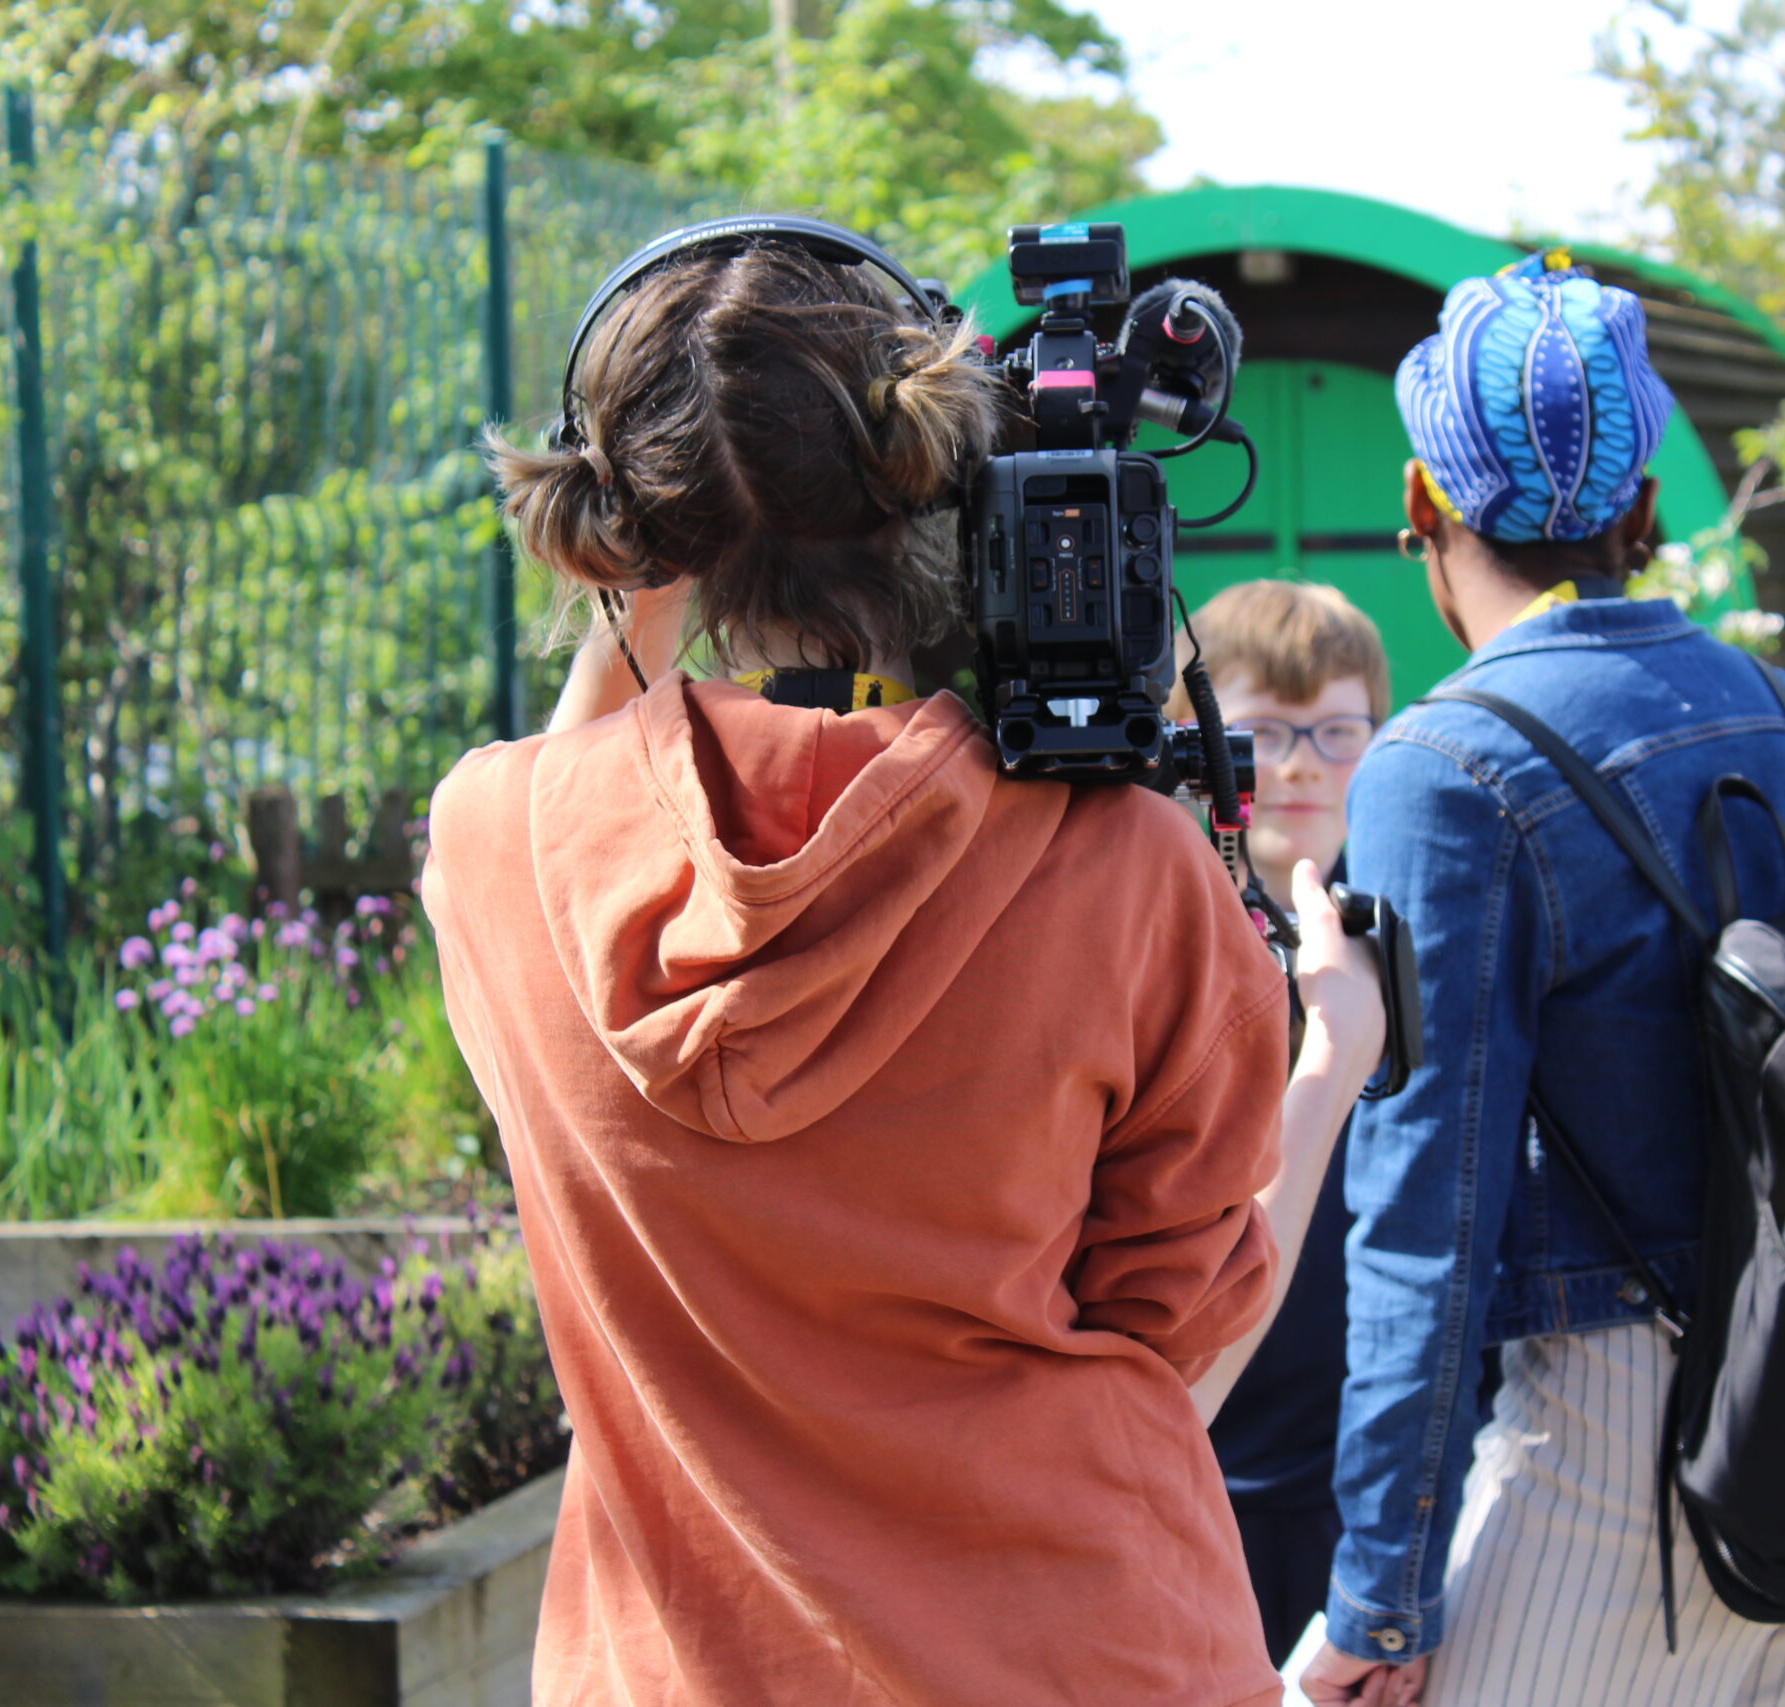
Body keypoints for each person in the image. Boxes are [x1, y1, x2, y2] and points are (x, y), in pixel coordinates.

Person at [421, 237, 1384, 1707]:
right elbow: (1182, 1324)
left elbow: (576, 787)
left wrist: (653, 585)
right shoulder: (1124, 869)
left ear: (611, 518)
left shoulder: (498, 852)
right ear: (936, 466)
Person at [1303, 253, 1785, 1707]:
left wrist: (1377, 1595)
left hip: (1614, 1446)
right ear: (1646, 510)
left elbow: (1424, 1212)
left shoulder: (1444, 769)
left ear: (1421, 503)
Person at [1173, 579, 1391, 1663]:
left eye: (1337, 731)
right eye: (1262, 732)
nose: (1303, 764)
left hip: (1374, 1473)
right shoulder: (1162, 947)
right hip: (1203, 1466)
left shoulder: (1412, 939)